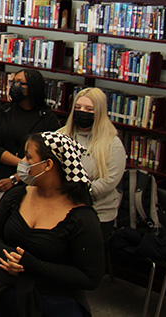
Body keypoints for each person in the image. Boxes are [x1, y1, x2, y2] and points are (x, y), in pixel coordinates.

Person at [0, 131, 104, 316]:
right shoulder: (17, 195)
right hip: (4, 295)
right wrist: (10, 256)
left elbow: (89, 278)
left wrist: (33, 266)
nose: (22, 162)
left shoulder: (82, 218)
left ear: (47, 165)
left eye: (28, 157)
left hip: (52, 304)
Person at [58, 87, 126, 243]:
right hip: (61, 209)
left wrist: (77, 193)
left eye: (89, 109)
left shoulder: (112, 144)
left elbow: (108, 181)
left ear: (99, 112)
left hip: (97, 214)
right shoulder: (61, 135)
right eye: (78, 107)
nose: (82, 112)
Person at [0, 69, 61, 191]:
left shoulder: (47, 119)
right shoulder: (3, 111)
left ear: (33, 87)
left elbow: (48, 157)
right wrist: (22, 164)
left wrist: (16, 177)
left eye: (20, 83)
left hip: (31, 184)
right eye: (13, 82)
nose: (15, 86)